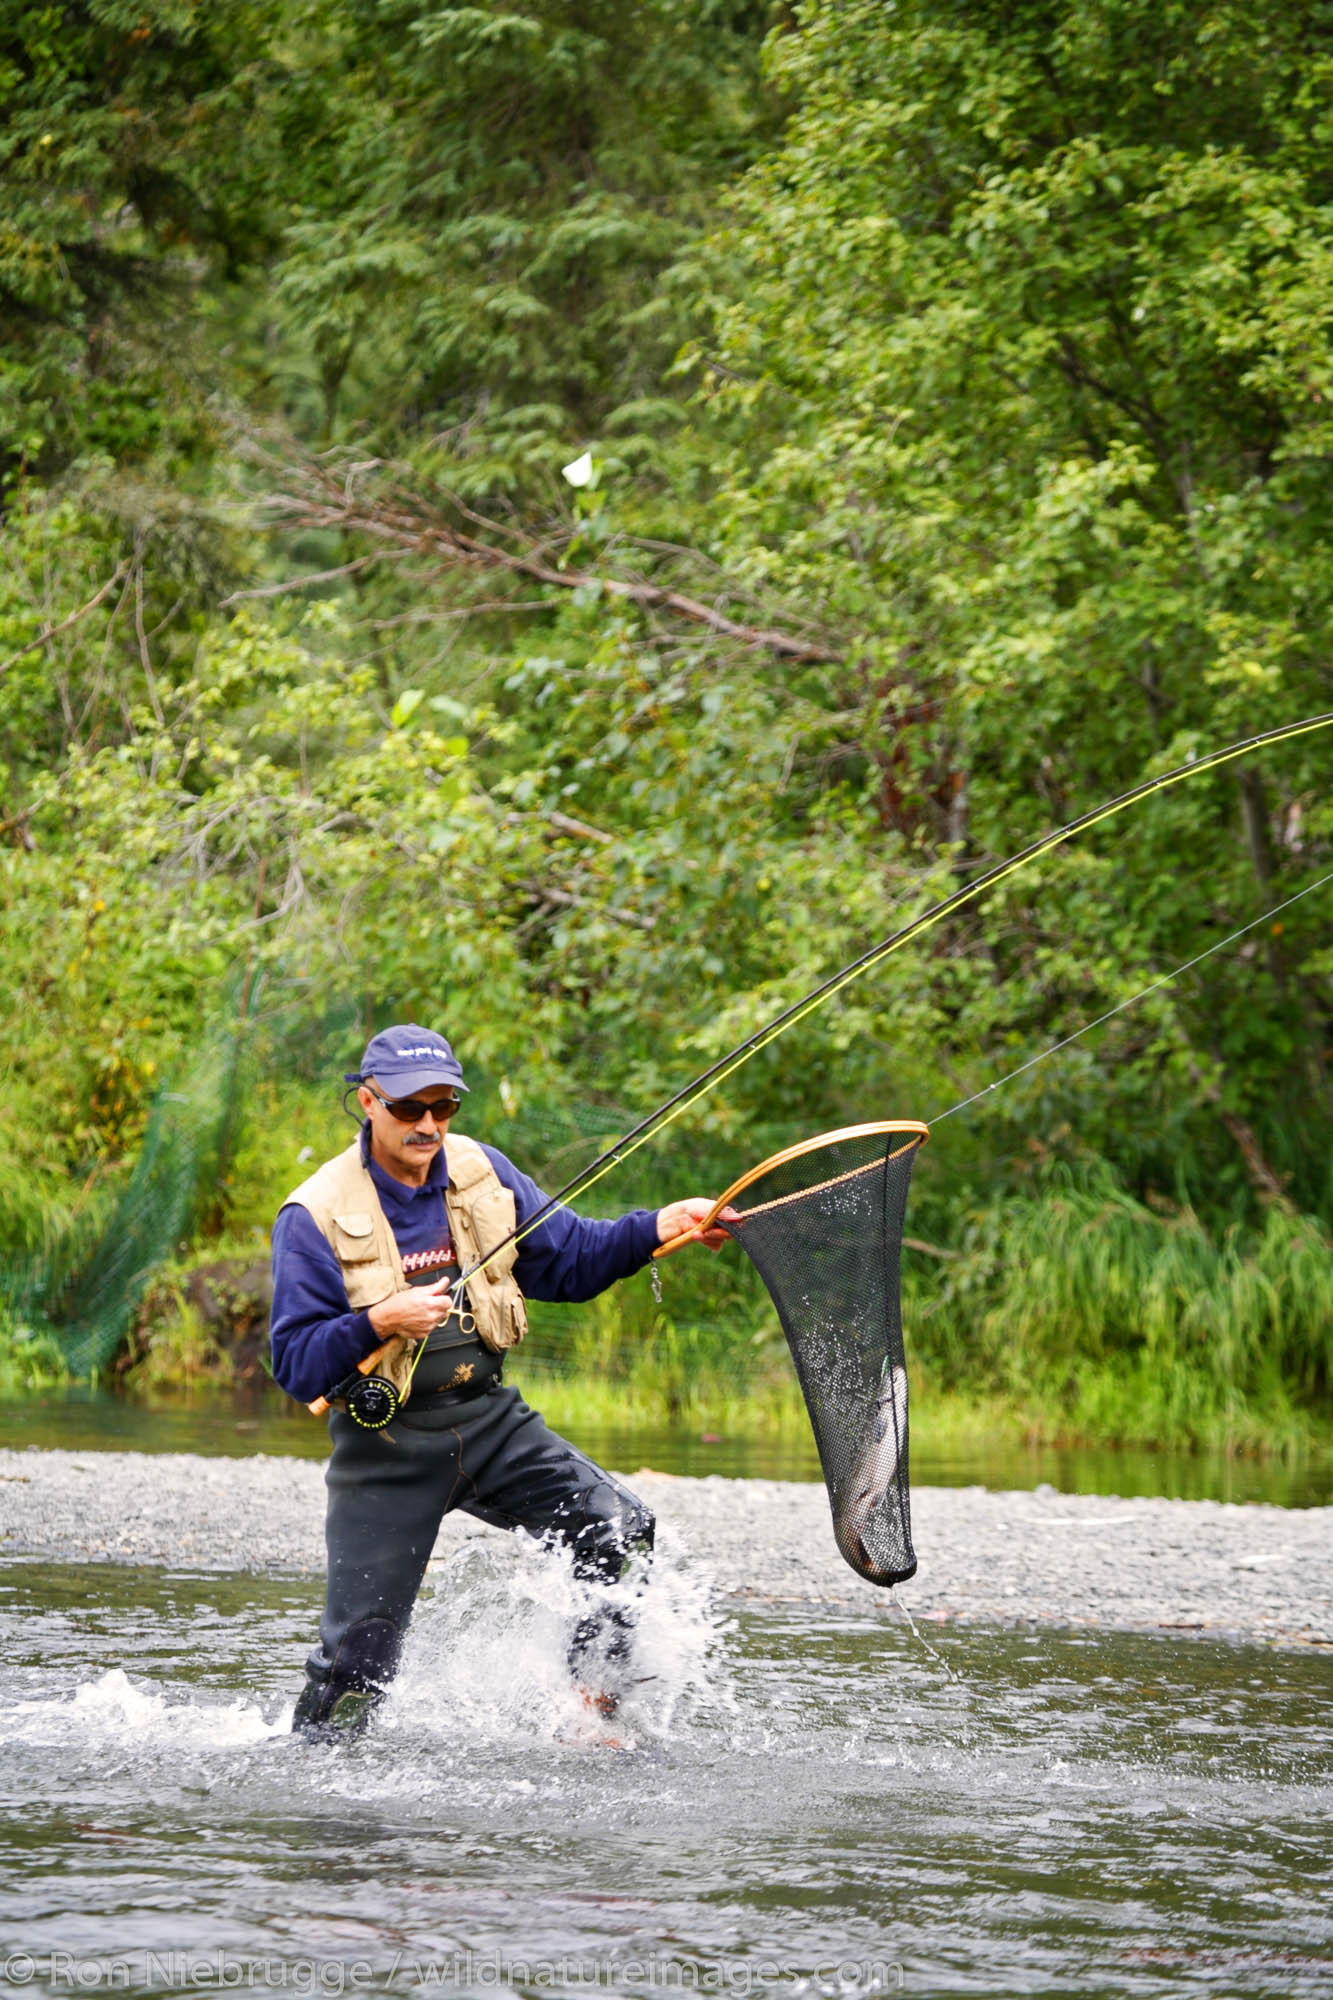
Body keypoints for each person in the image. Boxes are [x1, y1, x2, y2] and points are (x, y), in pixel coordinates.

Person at [269, 1023, 729, 1737]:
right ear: (367, 1102)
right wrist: (379, 1319)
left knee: (619, 1530)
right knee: (359, 1660)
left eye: (443, 1106)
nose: (428, 1123)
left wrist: (660, 1225)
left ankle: (595, 1719)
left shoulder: (482, 1170)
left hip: (488, 1421)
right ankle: (316, 1783)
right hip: (385, 1447)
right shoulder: (313, 1212)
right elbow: (296, 1365)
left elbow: (571, 1260)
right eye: (408, 1107)